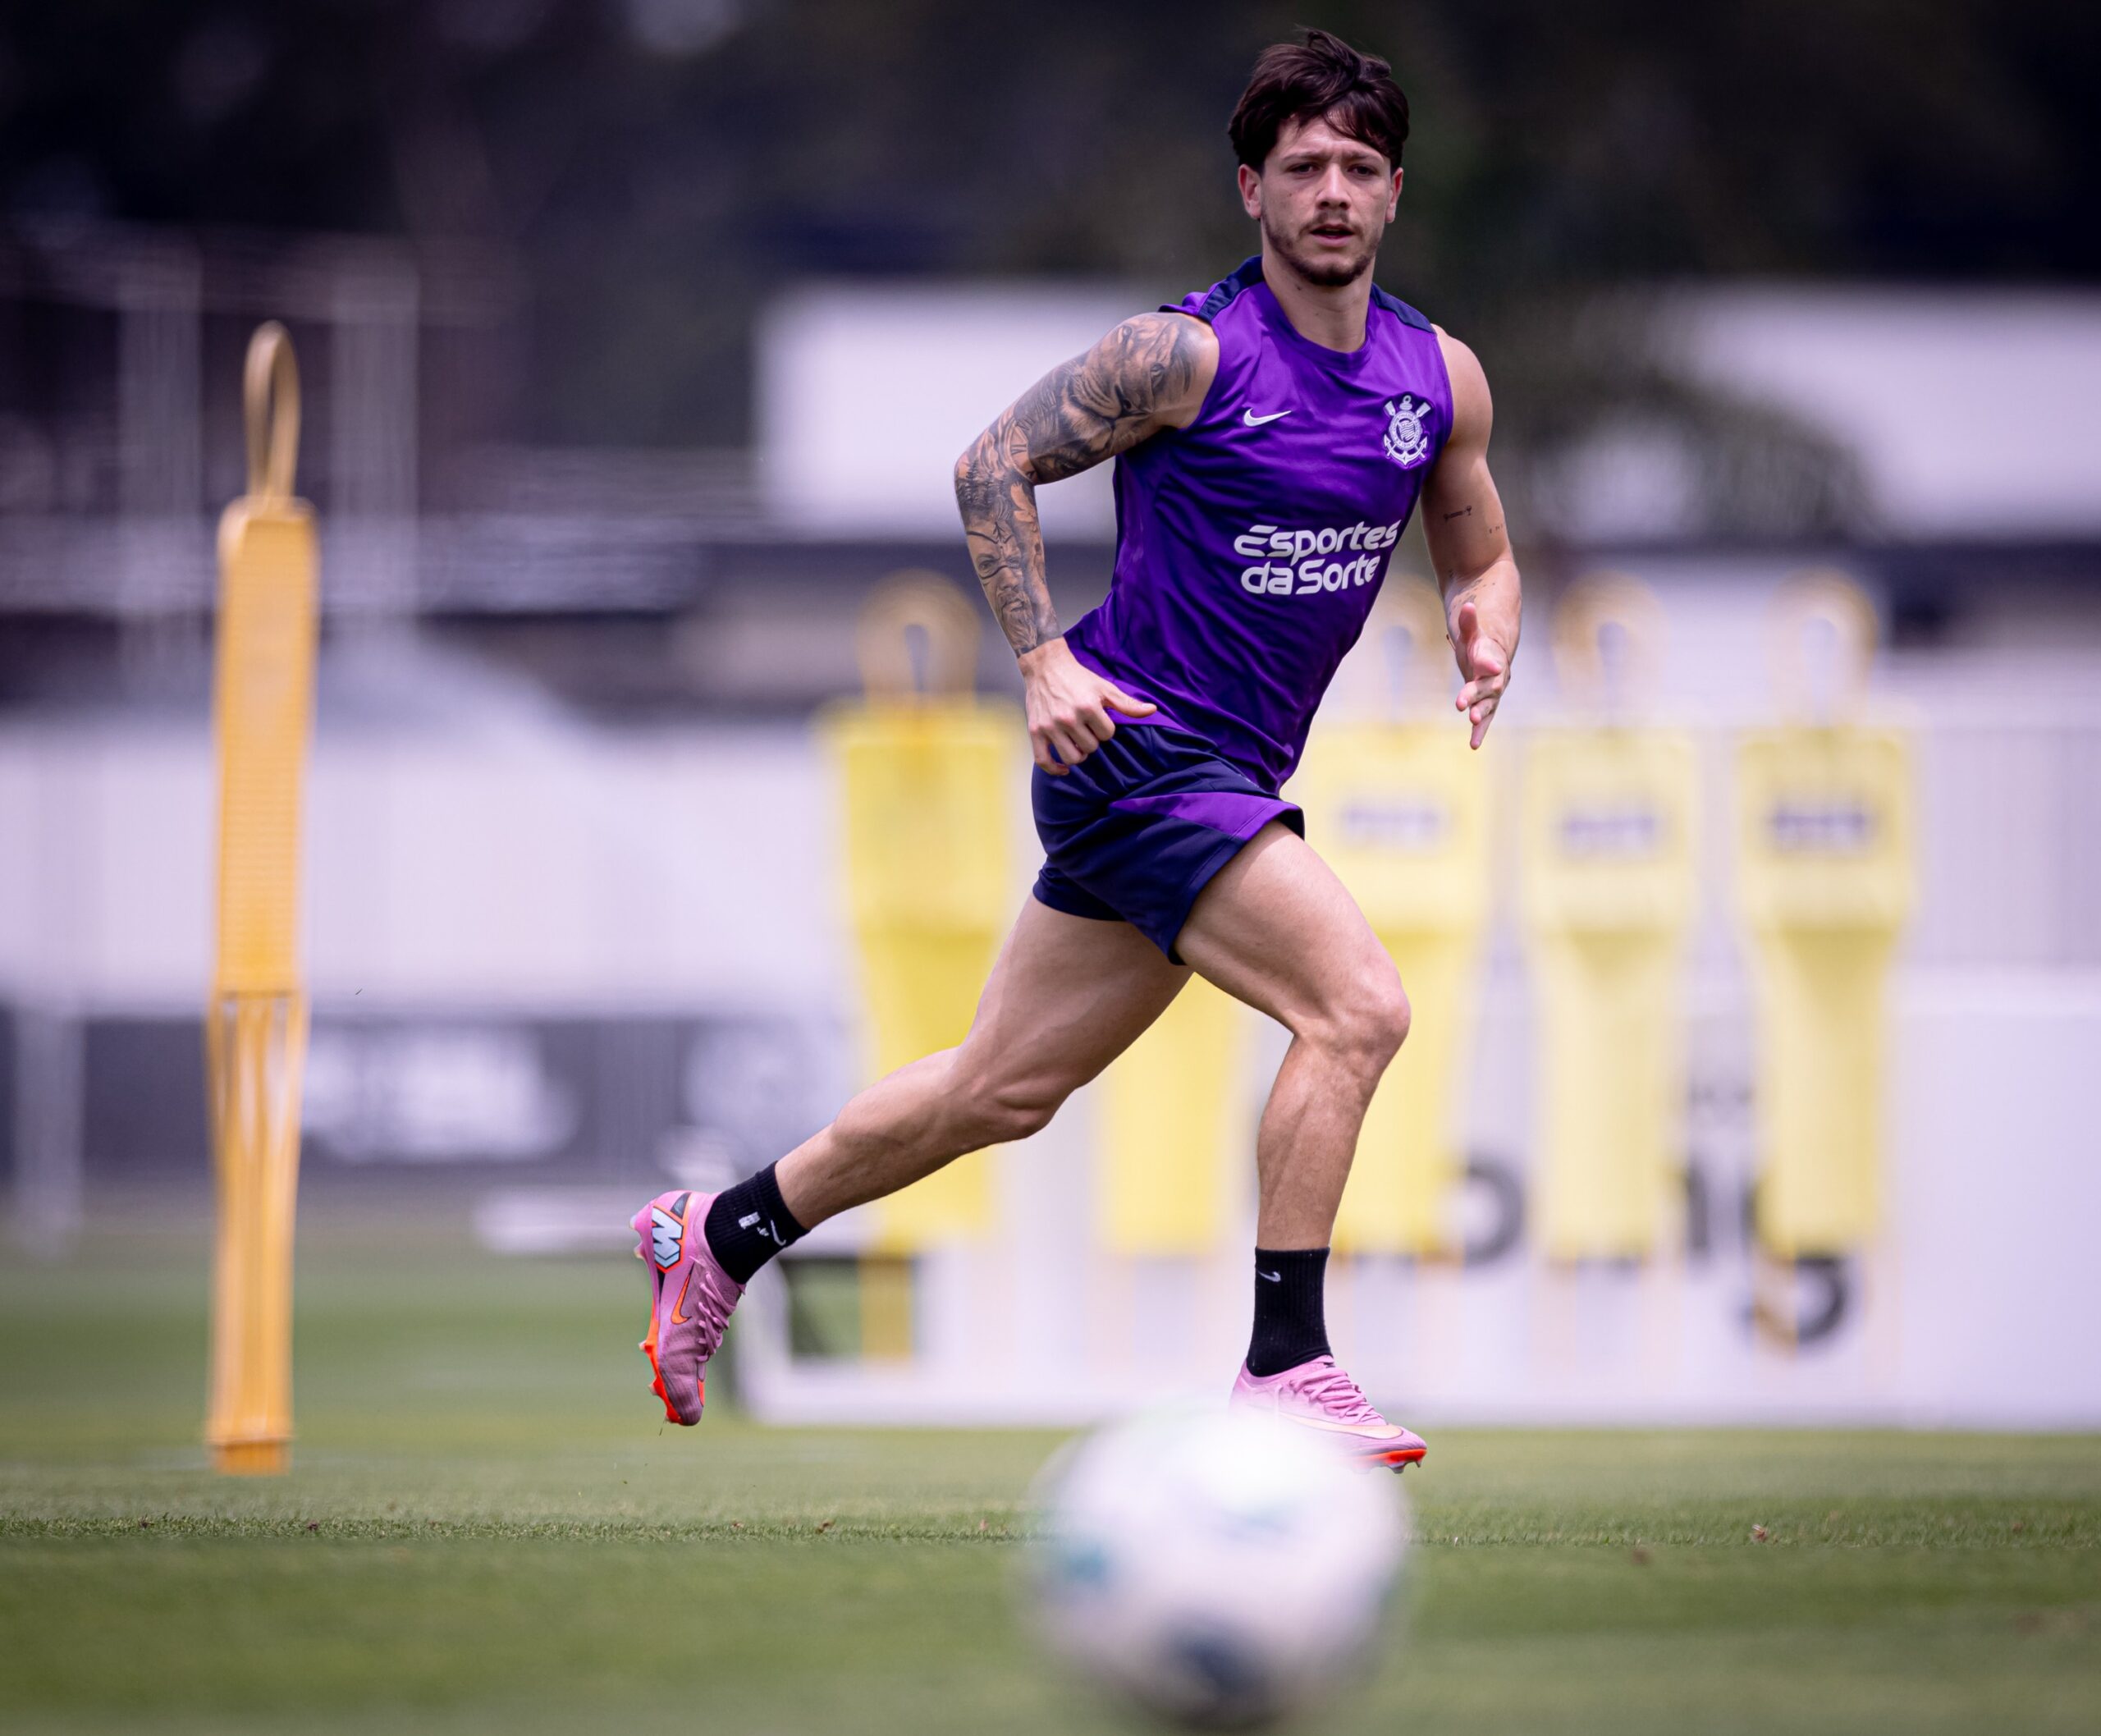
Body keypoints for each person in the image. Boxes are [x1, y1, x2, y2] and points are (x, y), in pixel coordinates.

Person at [632, 27, 1520, 1470]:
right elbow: (991, 462)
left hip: (1224, 777)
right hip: (1138, 750)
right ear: (1252, 189)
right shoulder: (1183, 353)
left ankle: (720, 1230)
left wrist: (1489, 616)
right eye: (1303, 168)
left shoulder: (1441, 381)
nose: (1334, 193)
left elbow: (1476, 541)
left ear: (1398, 189)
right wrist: (1038, 662)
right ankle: (1288, 1365)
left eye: (1360, 167)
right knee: (1359, 1009)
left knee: (1001, 1089)